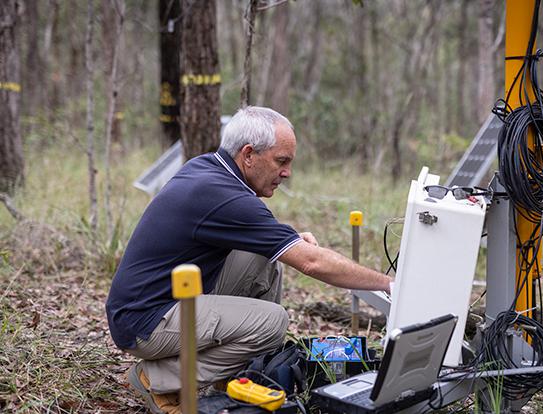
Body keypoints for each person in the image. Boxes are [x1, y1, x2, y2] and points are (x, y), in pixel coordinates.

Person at [106, 106, 392, 413]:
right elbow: (312, 263)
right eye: (281, 161)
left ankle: (230, 375)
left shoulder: (208, 169)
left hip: (154, 302)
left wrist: (291, 238)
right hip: (144, 322)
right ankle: (155, 378)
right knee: (272, 323)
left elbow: (256, 229)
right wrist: (390, 283)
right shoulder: (219, 192)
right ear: (248, 155)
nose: (287, 172)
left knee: (264, 256)